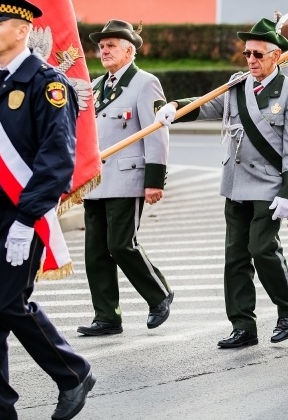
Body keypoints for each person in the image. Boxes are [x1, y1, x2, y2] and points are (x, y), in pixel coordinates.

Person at [0, 0, 94, 420]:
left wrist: (26, 219)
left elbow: (56, 160)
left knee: (10, 305)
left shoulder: (48, 85)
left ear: (22, 30)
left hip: (21, 217)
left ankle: (73, 371)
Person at [155, 16, 288, 348]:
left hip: (269, 185)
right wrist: (175, 108)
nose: (251, 60)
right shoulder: (237, 85)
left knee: (262, 248)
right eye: (247, 54)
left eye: (258, 54)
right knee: (235, 256)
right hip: (236, 182)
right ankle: (243, 324)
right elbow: (208, 106)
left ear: (276, 56)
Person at [77, 20, 173, 337]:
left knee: (121, 245)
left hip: (127, 178)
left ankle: (159, 294)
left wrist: (155, 179)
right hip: (96, 181)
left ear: (129, 50)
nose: (104, 51)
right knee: (95, 252)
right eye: (101, 46)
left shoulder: (145, 83)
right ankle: (107, 316)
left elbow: (157, 132)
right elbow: (84, 136)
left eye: (111, 46)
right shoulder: (94, 86)